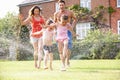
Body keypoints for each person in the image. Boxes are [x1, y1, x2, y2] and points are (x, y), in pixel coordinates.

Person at [54, 0, 77, 67]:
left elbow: (75, 19)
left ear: (64, 5)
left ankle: (67, 60)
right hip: (60, 33)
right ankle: (63, 62)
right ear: (59, 6)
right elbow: (55, 23)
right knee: (61, 49)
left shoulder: (70, 12)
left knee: (68, 46)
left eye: (62, 5)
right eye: (60, 5)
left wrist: (72, 27)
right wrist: (55, 30)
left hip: (68, 31)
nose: (61, 6)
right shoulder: (56, 14)